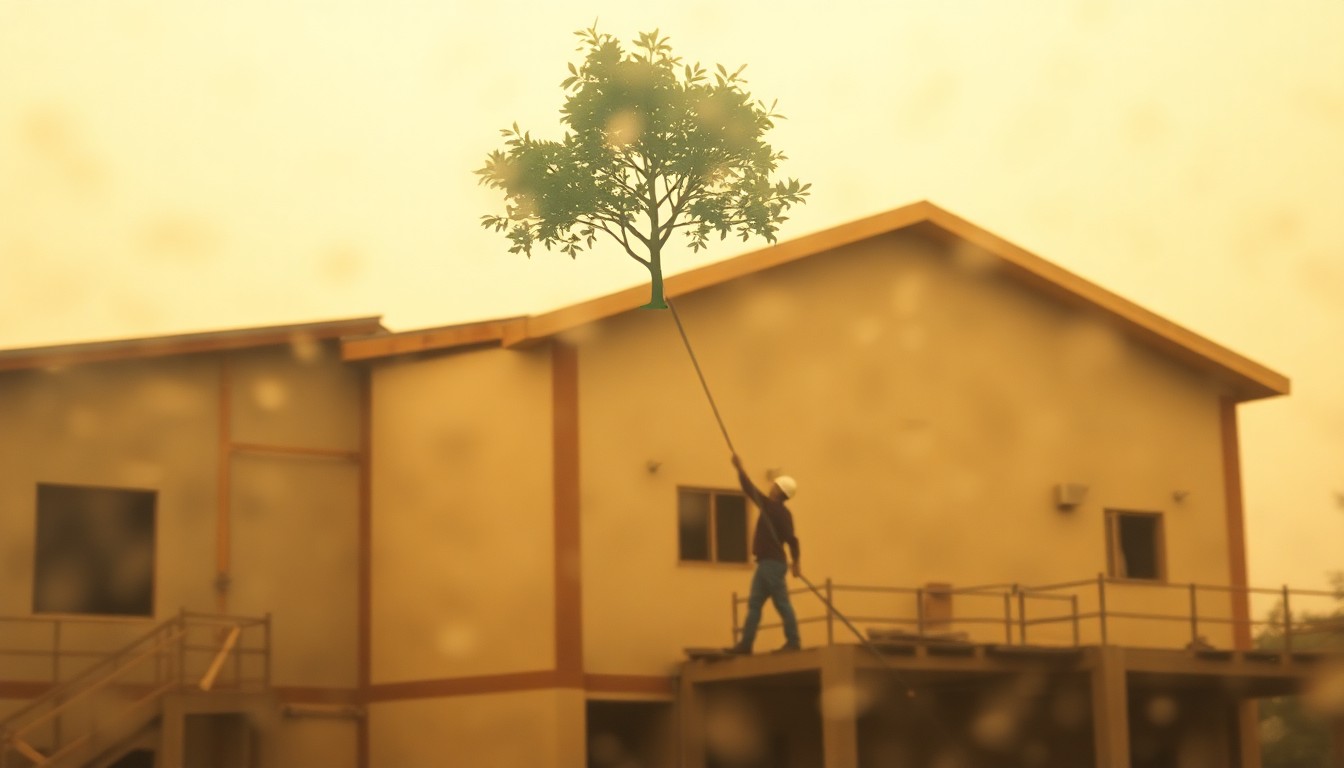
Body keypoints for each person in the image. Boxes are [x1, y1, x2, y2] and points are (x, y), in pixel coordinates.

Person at [725, 453, 802, 654]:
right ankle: (746, 644)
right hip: (771, 564)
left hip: (770, 564)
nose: (772, 487)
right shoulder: (785, 514)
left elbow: (748, 488)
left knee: (776, 604)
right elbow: (792, 540)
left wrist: (739, 468)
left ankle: (792, 642)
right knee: (756, 604)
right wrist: (796, 562)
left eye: (775, 486)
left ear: (778, 491)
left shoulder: (769, 507)